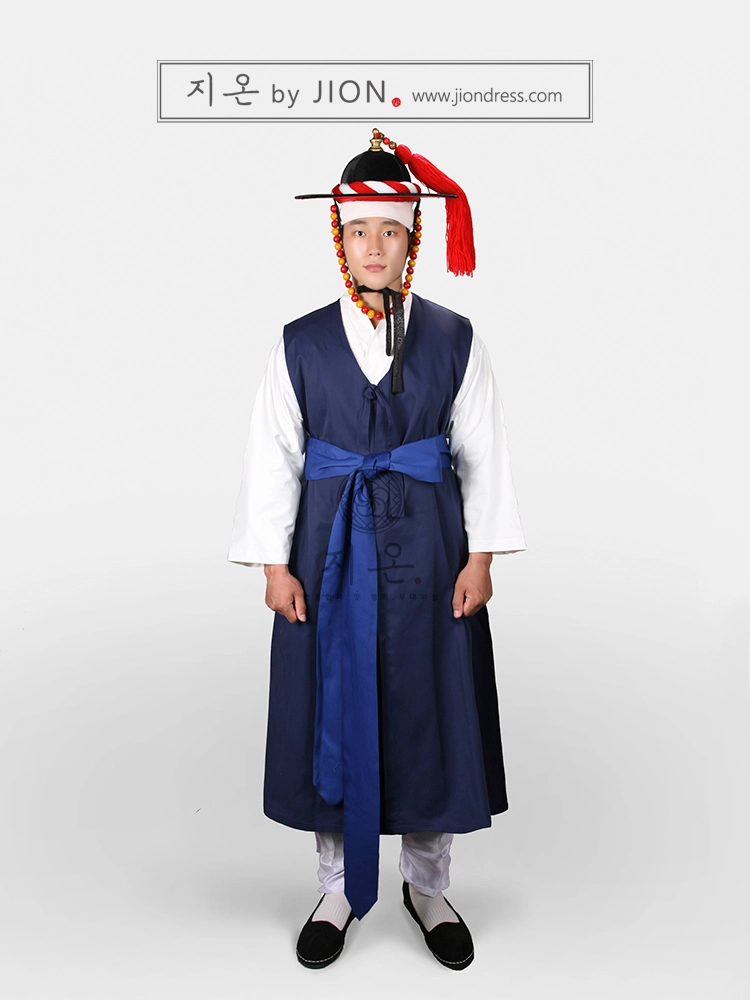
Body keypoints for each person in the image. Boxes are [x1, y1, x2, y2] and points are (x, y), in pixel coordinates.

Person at [227, 128, 526, 970]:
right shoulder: (300, 342)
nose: (373, 247)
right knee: (332, 701)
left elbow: (483, 451)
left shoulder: (456, 338)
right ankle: (336, 885)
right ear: (339, 237)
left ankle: (427, 886)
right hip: (326, 549)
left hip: (432, 549)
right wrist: (275, 563)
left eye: (390, 231)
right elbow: (273, 453)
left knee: (429, 702)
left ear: (412, 239)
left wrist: (481, 556)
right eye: (358, 230)